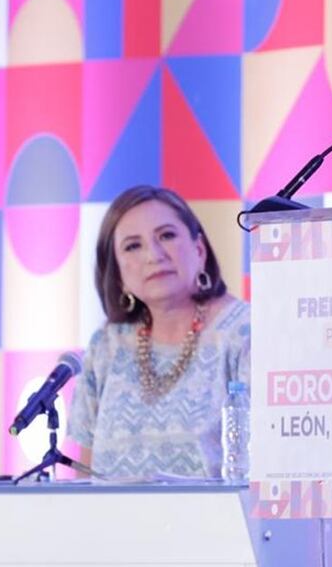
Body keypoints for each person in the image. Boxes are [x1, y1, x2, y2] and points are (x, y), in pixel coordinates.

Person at [68, 186, 249, 480]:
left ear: (199, 250)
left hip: (216, 525)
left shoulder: (242, 335)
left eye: (167, 235)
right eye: (133, 246)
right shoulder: (107, 347)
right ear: (118, 275)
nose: (154, 254)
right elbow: (85, 477)